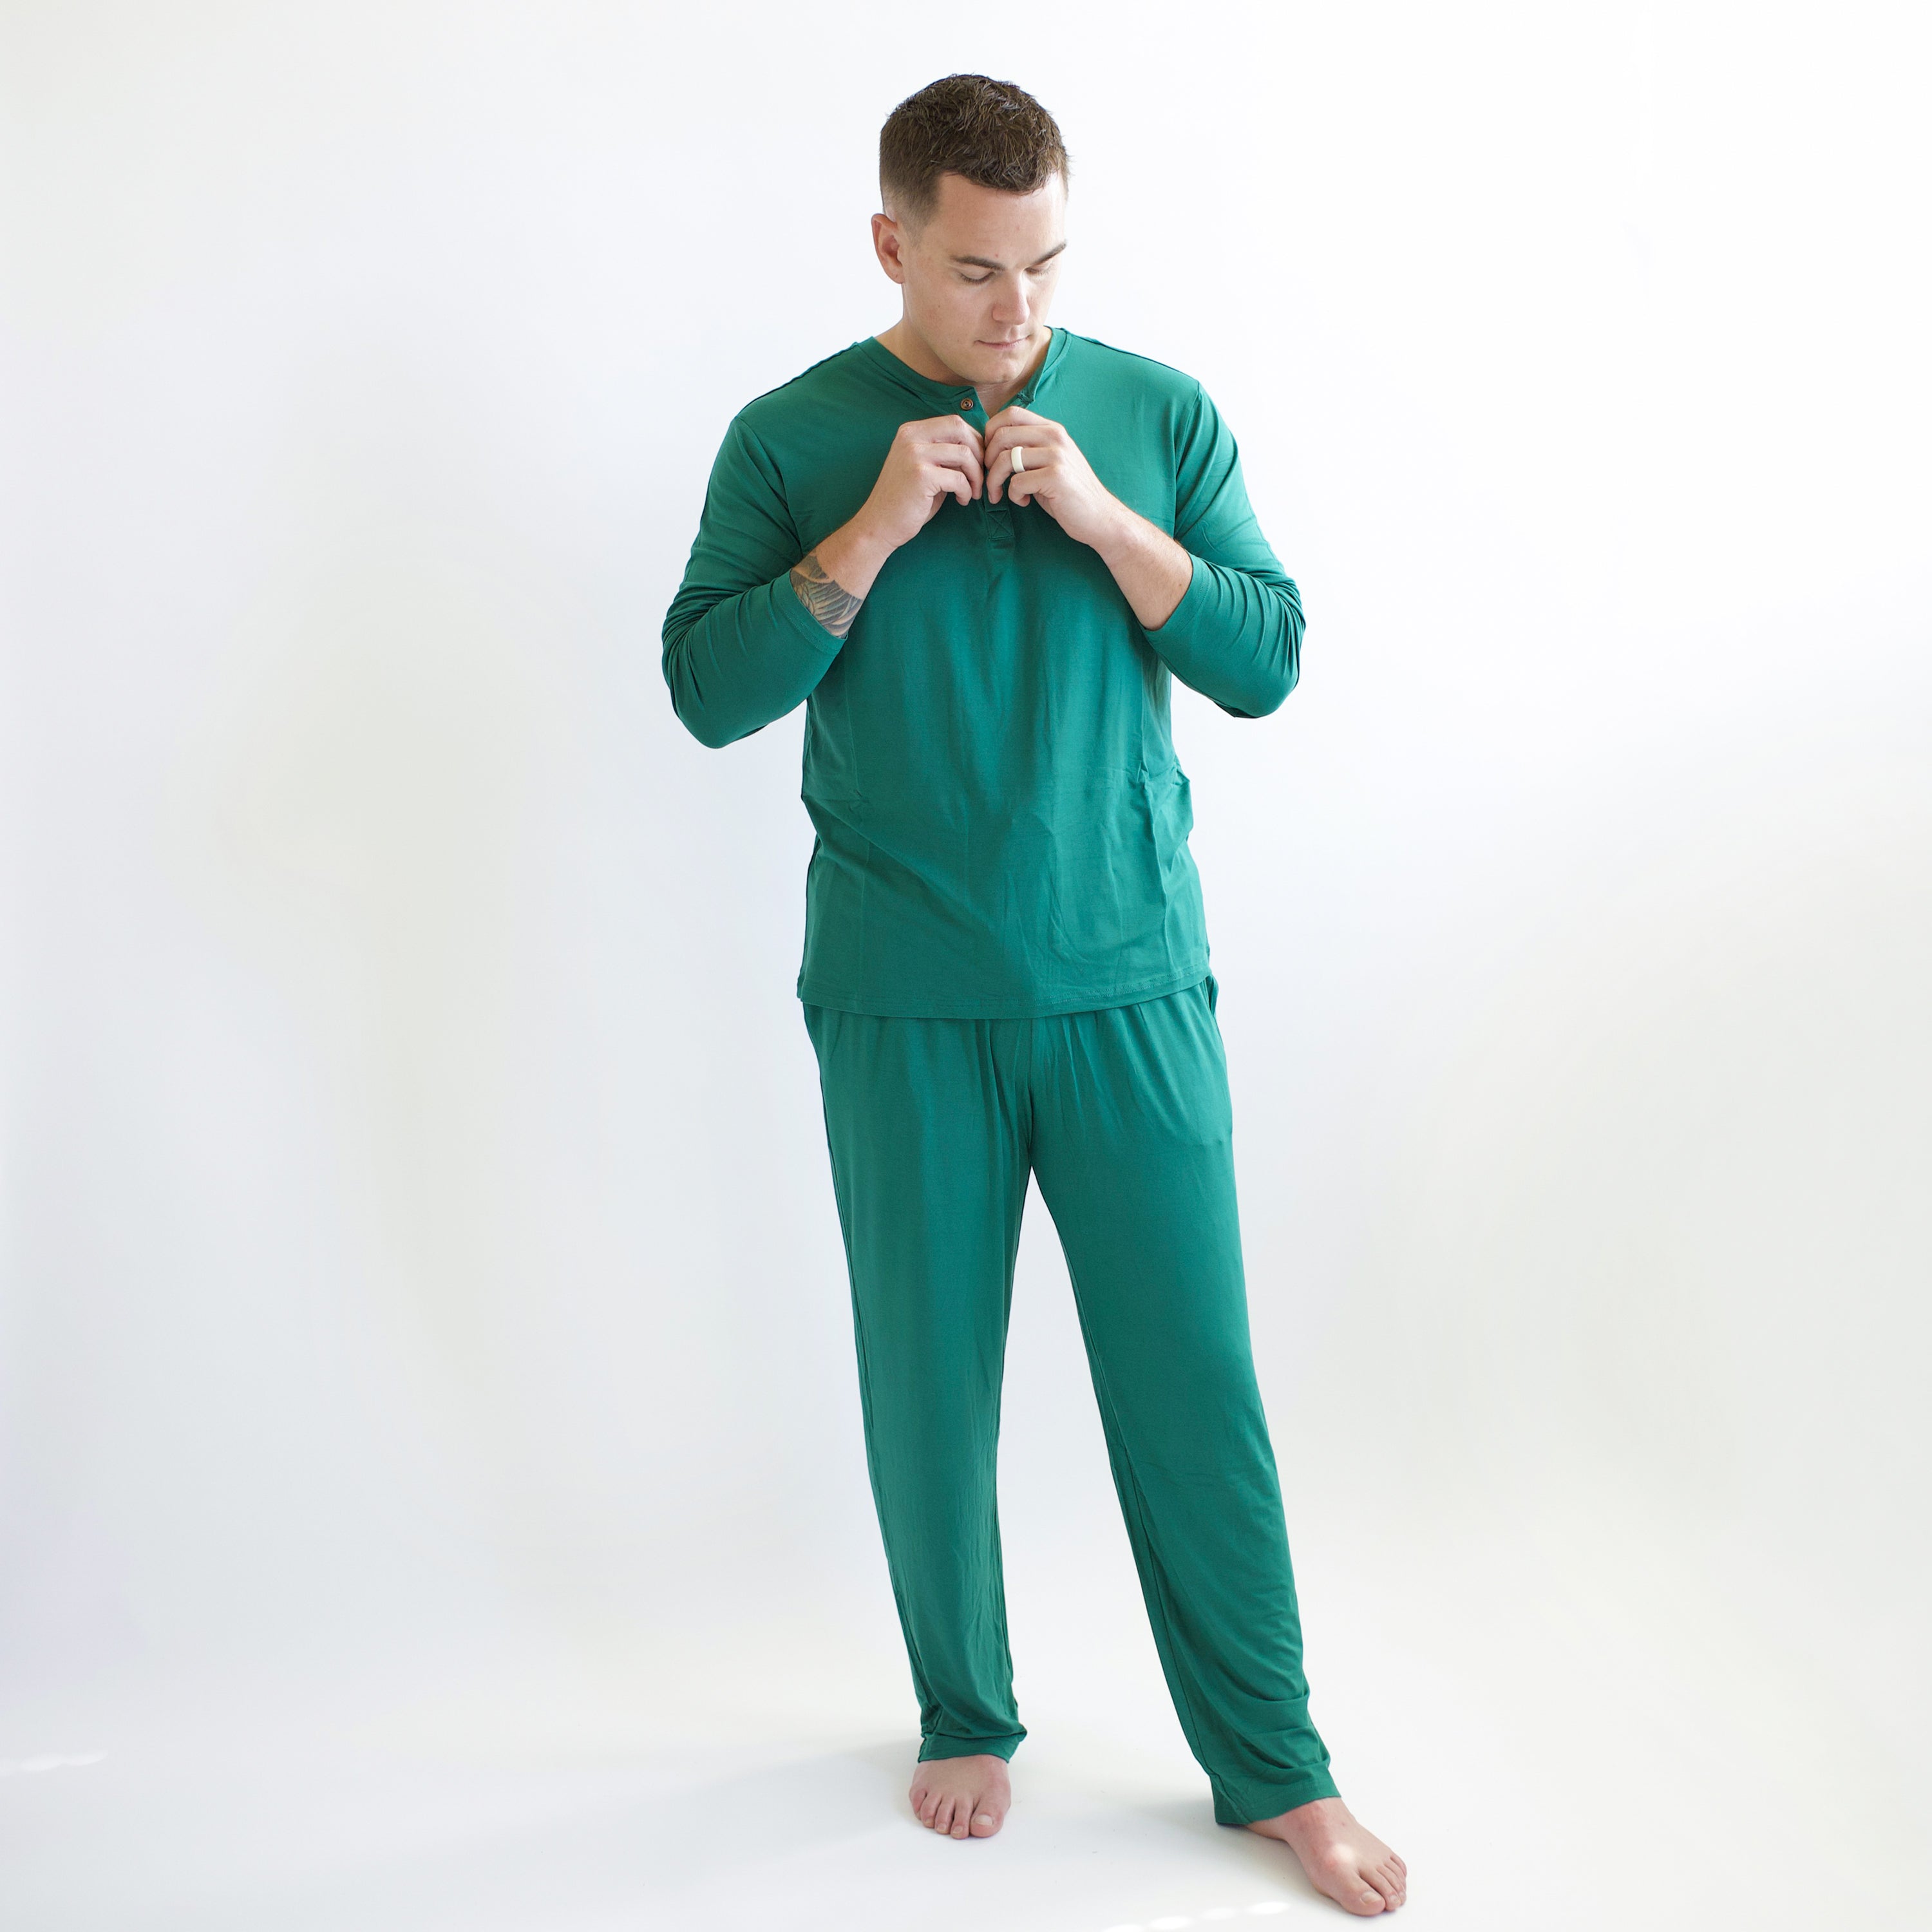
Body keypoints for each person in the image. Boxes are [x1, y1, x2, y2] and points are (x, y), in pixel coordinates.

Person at [661, 73, 1407, 1918]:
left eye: (1049, 266)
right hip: (905, 994)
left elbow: (1270, 658)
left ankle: (1275, 1769)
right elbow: (705, 690)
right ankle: (963, 1709)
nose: (1020, 313)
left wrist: (1103, 521)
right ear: (894, 243)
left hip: (1130, 981)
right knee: (932, 1381)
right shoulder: (792, 434)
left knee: (1196, 1386)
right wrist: (865, 538)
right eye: (980, 272)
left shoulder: (1150, 414)